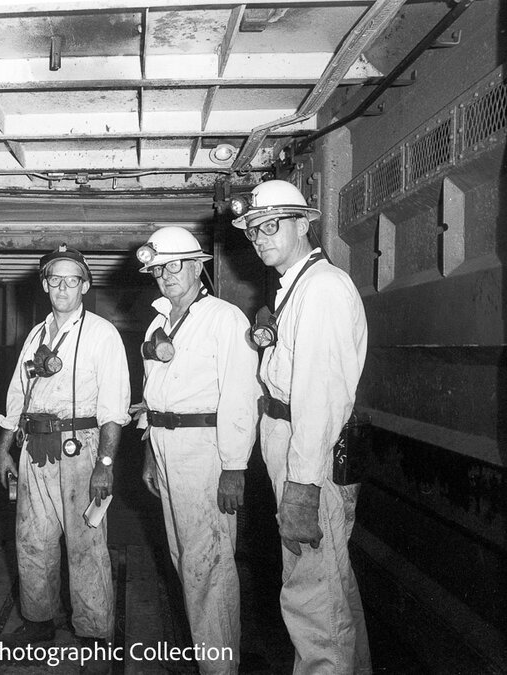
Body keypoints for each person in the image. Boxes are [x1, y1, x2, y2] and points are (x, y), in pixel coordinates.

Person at [232, 180, 370, 674]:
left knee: (311, 594)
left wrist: (304, 485)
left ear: (303, 223)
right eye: (253, 230)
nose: (260, 236)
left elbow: (319, 396)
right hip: (290, 442)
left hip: (306, 450)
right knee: (330, 582)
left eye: (272, 225)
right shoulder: (296, 285)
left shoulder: (324, 288)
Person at [0, 244, 130, 675]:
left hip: (81, 447)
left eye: (72, 280)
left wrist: (105, 465)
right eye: (55, 279)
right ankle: (39, 622)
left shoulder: (102, 334)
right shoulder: (35, 336)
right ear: (46, 284)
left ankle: (92, 631)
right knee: (32, 540)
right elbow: (17, 396)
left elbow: (114, 406)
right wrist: (3, 448)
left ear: (85, 286)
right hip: (34, 448)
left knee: (85, 542)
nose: (63, 288)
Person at [134, 226, 259, 674]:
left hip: (205, 449)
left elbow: (241, 397)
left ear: (197, 266)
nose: (165, 275)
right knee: (185, 559)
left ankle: (220, 668)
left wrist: (234, 466)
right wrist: (150, 450)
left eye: (174, 265)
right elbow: (154, 391)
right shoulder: (157, 322)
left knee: (209, 564)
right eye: (157, 269)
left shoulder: (225, 319)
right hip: (166, 446)